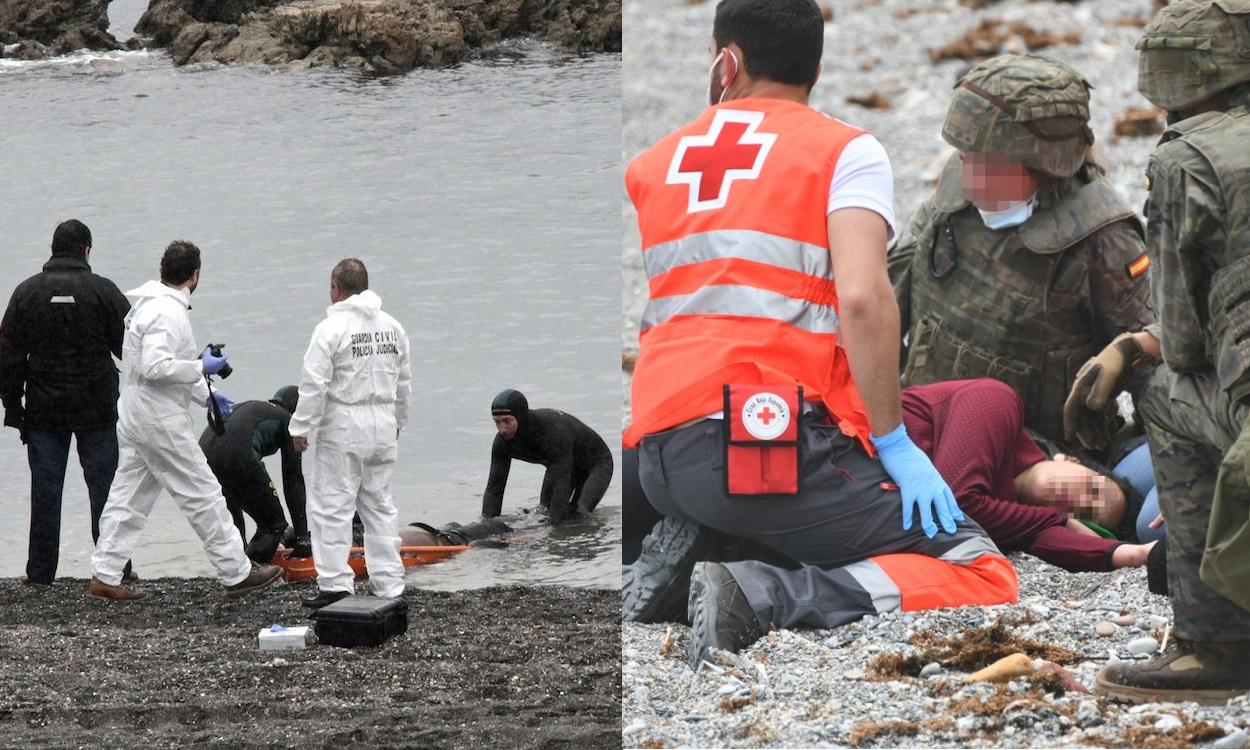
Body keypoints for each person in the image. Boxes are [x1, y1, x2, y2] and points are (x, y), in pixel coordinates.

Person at [622, 0, 1017, 668]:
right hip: (759, 448)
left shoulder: (655, 164)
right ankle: (759, 593)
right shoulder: (844, 150)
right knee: (979, 568)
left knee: (784, 515)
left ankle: (702, 548)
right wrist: (893, 442)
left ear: (727, 60)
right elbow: (863, 297)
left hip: (655, 456)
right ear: (818, 65)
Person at [1064, 0, 1250, 703]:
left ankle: (1217, 645)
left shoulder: (1188, 157)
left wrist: (1134, 348)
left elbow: (1184, 339)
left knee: (1161, 391)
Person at [887, 54, 1158, 452]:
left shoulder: (1105, 240)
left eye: (986, 164)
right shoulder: (958, 192)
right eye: (964, 157)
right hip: (921, 430)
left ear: (1043, 164)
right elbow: (886, 303)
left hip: (1037, 463)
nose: (967, 177)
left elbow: (1153, 369)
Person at [88, 241, 282, 600]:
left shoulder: (148, 306)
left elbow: (149, 371)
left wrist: (206, 395)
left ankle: (105, 571)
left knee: (128, 494)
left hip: (134, 413)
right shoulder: (168, 313)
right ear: (195, 275)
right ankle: (236, 571)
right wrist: (200, 367)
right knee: (203, 492)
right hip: (158, 420)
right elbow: (156, 367)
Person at [0, 220, 135, 586]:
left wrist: (14, 409)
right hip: (97, 409)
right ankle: (115, 569)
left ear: (53, 248)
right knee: (106, 491)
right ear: (86, 250)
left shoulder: (26, 293)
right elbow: (131, 350)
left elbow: (8, 357)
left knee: (46, 492)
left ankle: (41, 574)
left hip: (44, 411)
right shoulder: (103, 291)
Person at [902, 379, 1155, 572]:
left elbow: (1048, 539)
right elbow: (957, 505)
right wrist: (1060, 520)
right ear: (1069, 459)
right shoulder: (998, 402)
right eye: (1093, 489)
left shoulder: (1014, 521)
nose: (1082, 502)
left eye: (1087, 515)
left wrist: (1140, 554)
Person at [288, 258, 411, 610]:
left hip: (345, 421)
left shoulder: (331, 329)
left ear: (335, 288)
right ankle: (389, 582)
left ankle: (336, 584)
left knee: (331, 506)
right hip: (383, 420)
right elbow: (404, 382)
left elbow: (314, 384)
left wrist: (301, 427)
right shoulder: (392, 327)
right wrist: (399, 420)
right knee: (379, 504)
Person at [199, 385, 310, 564]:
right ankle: (249, 571)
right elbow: (293, 480)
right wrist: (302, 537)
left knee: (232, 526)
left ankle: (236, 569)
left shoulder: (256, 408)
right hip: (238, 455)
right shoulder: (289, 421)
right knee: (274, 526)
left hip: (203, 457)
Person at [483, 389, 614, 524]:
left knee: (580, 513)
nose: (502, 429)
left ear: (521, 417)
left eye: (507, 421)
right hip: (559, 463)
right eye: (497, 422)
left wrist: (552, 531)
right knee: (543, 512)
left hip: (596, 463)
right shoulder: (502, 443)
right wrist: (488, 525)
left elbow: (560, 484)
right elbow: (494, 488)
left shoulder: (552, 432)